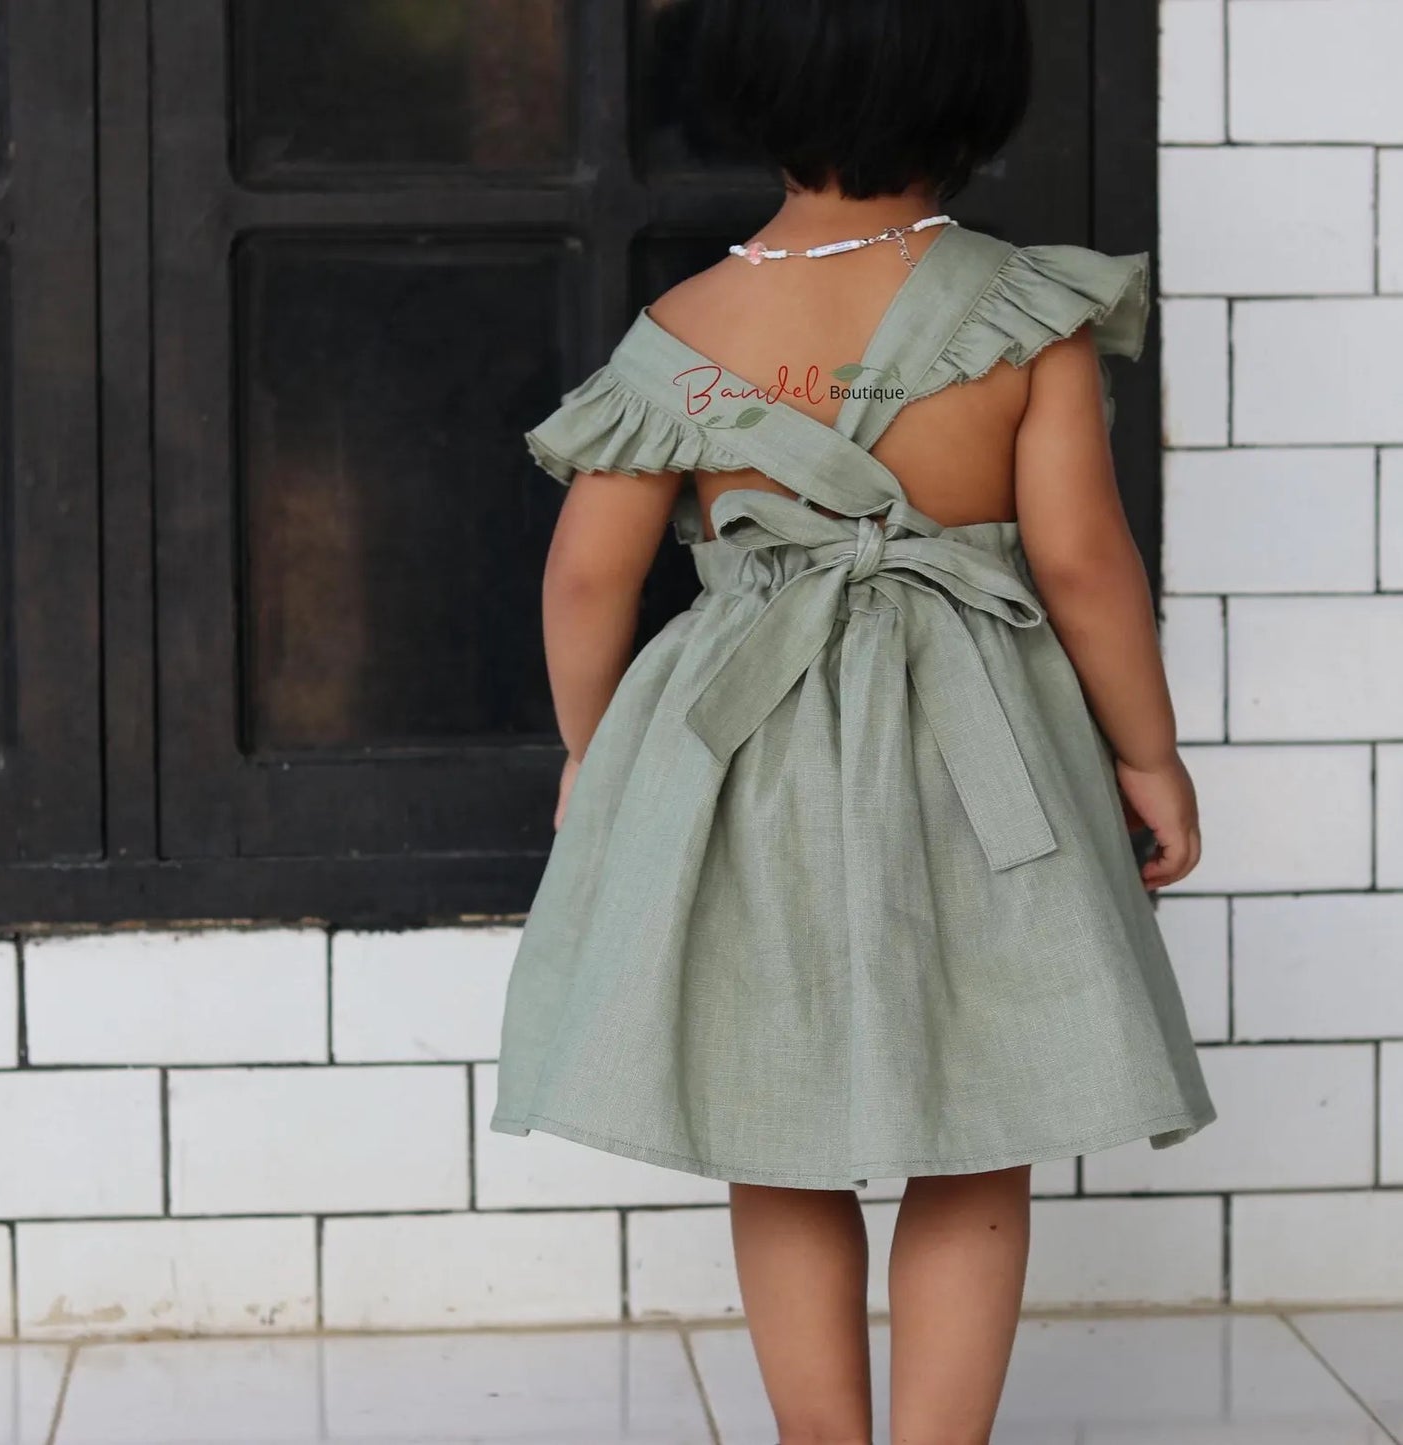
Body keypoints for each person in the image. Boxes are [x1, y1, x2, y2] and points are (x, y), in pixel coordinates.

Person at [490, 2, 1218, 1440]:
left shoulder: (683, 334)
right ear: (975, 90)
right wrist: (1146, 750)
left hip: (745, 757)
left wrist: (593, 749)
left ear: (752, 89)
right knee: (979, 1121)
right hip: (974, 752)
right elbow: (1081, 561)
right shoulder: (1017, 308)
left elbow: (585, 577)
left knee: (779, 1132)